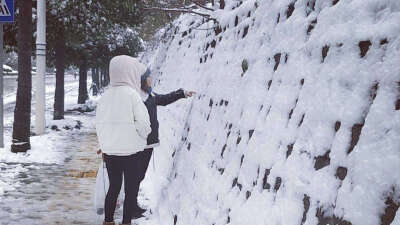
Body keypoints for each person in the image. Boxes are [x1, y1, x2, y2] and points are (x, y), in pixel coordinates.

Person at [95, 55, 151, 225]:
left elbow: (99, 125)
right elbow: (144, 125)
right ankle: (126, 222)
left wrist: (104, 146)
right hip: (131, 152)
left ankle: (108, 221)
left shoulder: (104, 97)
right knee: (131, 189)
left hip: (111, 152)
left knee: (113, 187)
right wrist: (141, 136)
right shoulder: (132, 95)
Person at [133, 67, 195, 217]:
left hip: (149, 144)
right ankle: (130, 207)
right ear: (142, 80)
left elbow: (165, 99)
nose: (150, 80)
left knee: (139, 174)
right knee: (134, 175)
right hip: (137, 144)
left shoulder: (151, 96)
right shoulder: (135, 98)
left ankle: (132, 204)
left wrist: (182, 93)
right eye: (148, 78)